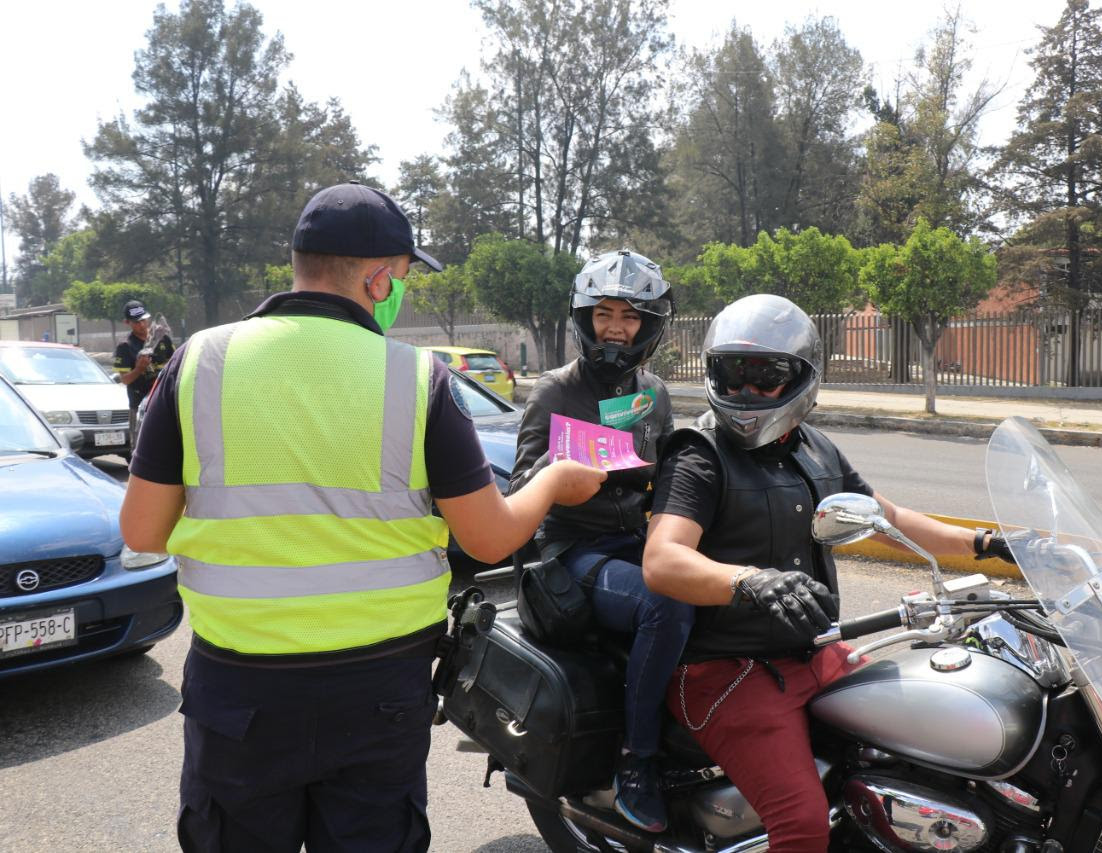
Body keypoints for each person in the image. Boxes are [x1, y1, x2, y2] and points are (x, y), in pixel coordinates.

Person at [119, 181, 606, 853]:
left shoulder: (200, 359)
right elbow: (489, 537)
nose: (401, 292)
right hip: (378, 694)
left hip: (239, 694)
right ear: (378, 278)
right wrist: (553, 478)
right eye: (403, 278)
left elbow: (142, 531)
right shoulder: (415, 377)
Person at [642, 294, 1015, 853]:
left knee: (932, 741)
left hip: (818, 651)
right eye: (732, 374)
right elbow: (664, 558)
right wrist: (749, 580)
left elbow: (890, 520)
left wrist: (987, 543)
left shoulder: (817, 450)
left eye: (766, 376)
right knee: (802, 827)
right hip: (727, 673)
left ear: (801, 380)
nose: (746, 392)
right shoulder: (700, 454)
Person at [509, 249, 693, 833]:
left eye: (631, 317)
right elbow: (520, 491)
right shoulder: (553, 391)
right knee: (667, 598)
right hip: (574, 550)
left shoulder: (654, 393)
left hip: (636, 539)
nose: (616, 328)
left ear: (650, 326)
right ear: (585, 319)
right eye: (605, 314)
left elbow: (666, 476)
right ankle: (637, 762)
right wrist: (567, 480)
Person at [113, 299, 174, 439]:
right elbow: (125, 379)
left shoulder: (162, 338)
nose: (141, 325)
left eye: (144, 320)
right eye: (136, 322)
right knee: (140, 447)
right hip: (140, 405)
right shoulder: (125, 345)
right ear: (127, 322)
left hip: (164, 402)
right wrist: (139, 368)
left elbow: (175, 362)